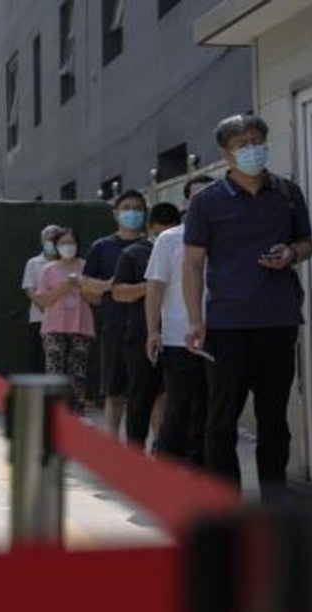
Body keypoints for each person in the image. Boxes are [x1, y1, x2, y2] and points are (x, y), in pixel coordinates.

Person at [183, 114, 312, 498]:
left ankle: (275, 499)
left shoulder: (288, 193)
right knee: (221, 419)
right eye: (242, 144)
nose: (252, 149)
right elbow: (192, 263)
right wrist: (195, 320)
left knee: (274, 418)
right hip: (226, 327)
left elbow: (307, 243)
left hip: (278, 321)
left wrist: (291, 252)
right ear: (226, 153)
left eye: (257, 140)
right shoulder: (207, 203)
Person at [146, 175, 216, 463]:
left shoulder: (228, 236)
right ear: (186, 203)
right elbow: (155, 286)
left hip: (223, 336)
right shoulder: (170, 239)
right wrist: (153, 330)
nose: (204, 201)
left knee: (212, 411)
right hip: (179, 338)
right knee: (179, 409)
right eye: (197, 196)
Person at [112, 202, 182, 447]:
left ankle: (165, 451)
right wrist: (155, 285)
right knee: (141, 398)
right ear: (150, 228)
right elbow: (118, 291)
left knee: (175, 400)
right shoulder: (134, 253)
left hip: (178, 334)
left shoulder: (186, 248)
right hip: (142, 334)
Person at [82, 190, 146, 438]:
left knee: (154, 394)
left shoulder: (151, 245)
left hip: (149, 328)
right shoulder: (102, 247)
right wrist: (112, 286)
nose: (132, 213)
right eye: (127, 207)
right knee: (114, 393)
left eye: (138, 208)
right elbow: (87, 287)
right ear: (116, 213)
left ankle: (161, 454)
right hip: (115, 327)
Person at [36, 228, 97, 414]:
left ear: (77, 245)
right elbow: (43, 301)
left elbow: (96, 299)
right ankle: (55, 412)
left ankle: (76, 412)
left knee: (77, 373)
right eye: (63, 243)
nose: (67, 247)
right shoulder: (48, 269)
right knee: (55, 371)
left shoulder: (87, 267)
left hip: (81, 326)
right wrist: (63, 287)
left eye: (71, 242)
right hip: (54, 327)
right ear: (56, 246)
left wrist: (82, 286)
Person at [22, 224, 63, 371]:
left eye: (55, 239)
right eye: (48, 239)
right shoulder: (33, 263)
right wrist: (45, 307)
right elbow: (29, 289)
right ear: (42, 240)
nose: (51, 242)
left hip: (63, 321)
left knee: (60, 359)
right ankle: (38, 393)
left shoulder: (67, 262)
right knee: (39, 359)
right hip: (39, 319)